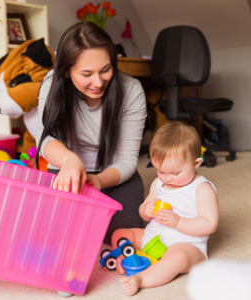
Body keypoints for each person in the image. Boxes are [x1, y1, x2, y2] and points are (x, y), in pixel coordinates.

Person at [35, 21, 147, 244]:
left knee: (120, 236)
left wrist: (97, 180)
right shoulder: (52, 84)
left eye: (105, 70)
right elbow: (45, 137)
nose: (98, 82)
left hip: (113, 177)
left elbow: (127, 159)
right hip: (65, 173)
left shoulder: (131, 90)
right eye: (87, 74)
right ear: (66, 72)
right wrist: (70, 160)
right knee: (53, 235)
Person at [111, 122, 219, 296]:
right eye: (160, 171)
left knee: (176, 259)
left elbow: (210, 224)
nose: (167, 178)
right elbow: (144, 208)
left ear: (196, 163)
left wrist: (178, 221)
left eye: (175, 173)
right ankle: (131, 258)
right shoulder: (158, 183)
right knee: (120, 234)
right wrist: (146, 210)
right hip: (152, 240)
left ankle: (142, 278)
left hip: (185, 246)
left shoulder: (201, 188)